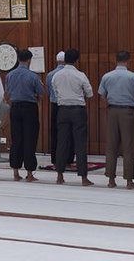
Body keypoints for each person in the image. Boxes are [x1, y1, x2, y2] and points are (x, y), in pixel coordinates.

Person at [98, 50, 134, 189]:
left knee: (111, 146)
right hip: (128, 111)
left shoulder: (107, 76)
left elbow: (102, 95)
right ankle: (129, 181)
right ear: (128, 60)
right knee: (128, 146)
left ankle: (111, 180)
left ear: (115, 60)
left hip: (112, 111)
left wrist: (108, 105)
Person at [53, 48, 94, 186]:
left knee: (62, 143)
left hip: (62, 110)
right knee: (80, 144)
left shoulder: (56, 76)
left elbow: (55, 91)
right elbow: (89, 93)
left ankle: (59, 175)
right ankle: (83, 177)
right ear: (77, 60)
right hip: (77, 110)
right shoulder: (80, 75)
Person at [5, 48, 44, 181]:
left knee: (16, 139)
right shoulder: (33, 76)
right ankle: (29, 173)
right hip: (29, 108)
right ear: (29, 60)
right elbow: (40, 92)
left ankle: (15, 172)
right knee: (30, 139)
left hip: (15, 107)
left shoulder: (10, 75)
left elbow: (8, 92)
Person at [46, 49, 66, 167]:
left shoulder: (50, 75)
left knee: (55, 132)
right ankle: (67, 158)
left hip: (54, 106)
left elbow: (49, 91)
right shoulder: (73, 73)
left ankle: (54, 158)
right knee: (67, 133)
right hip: (67, 106)